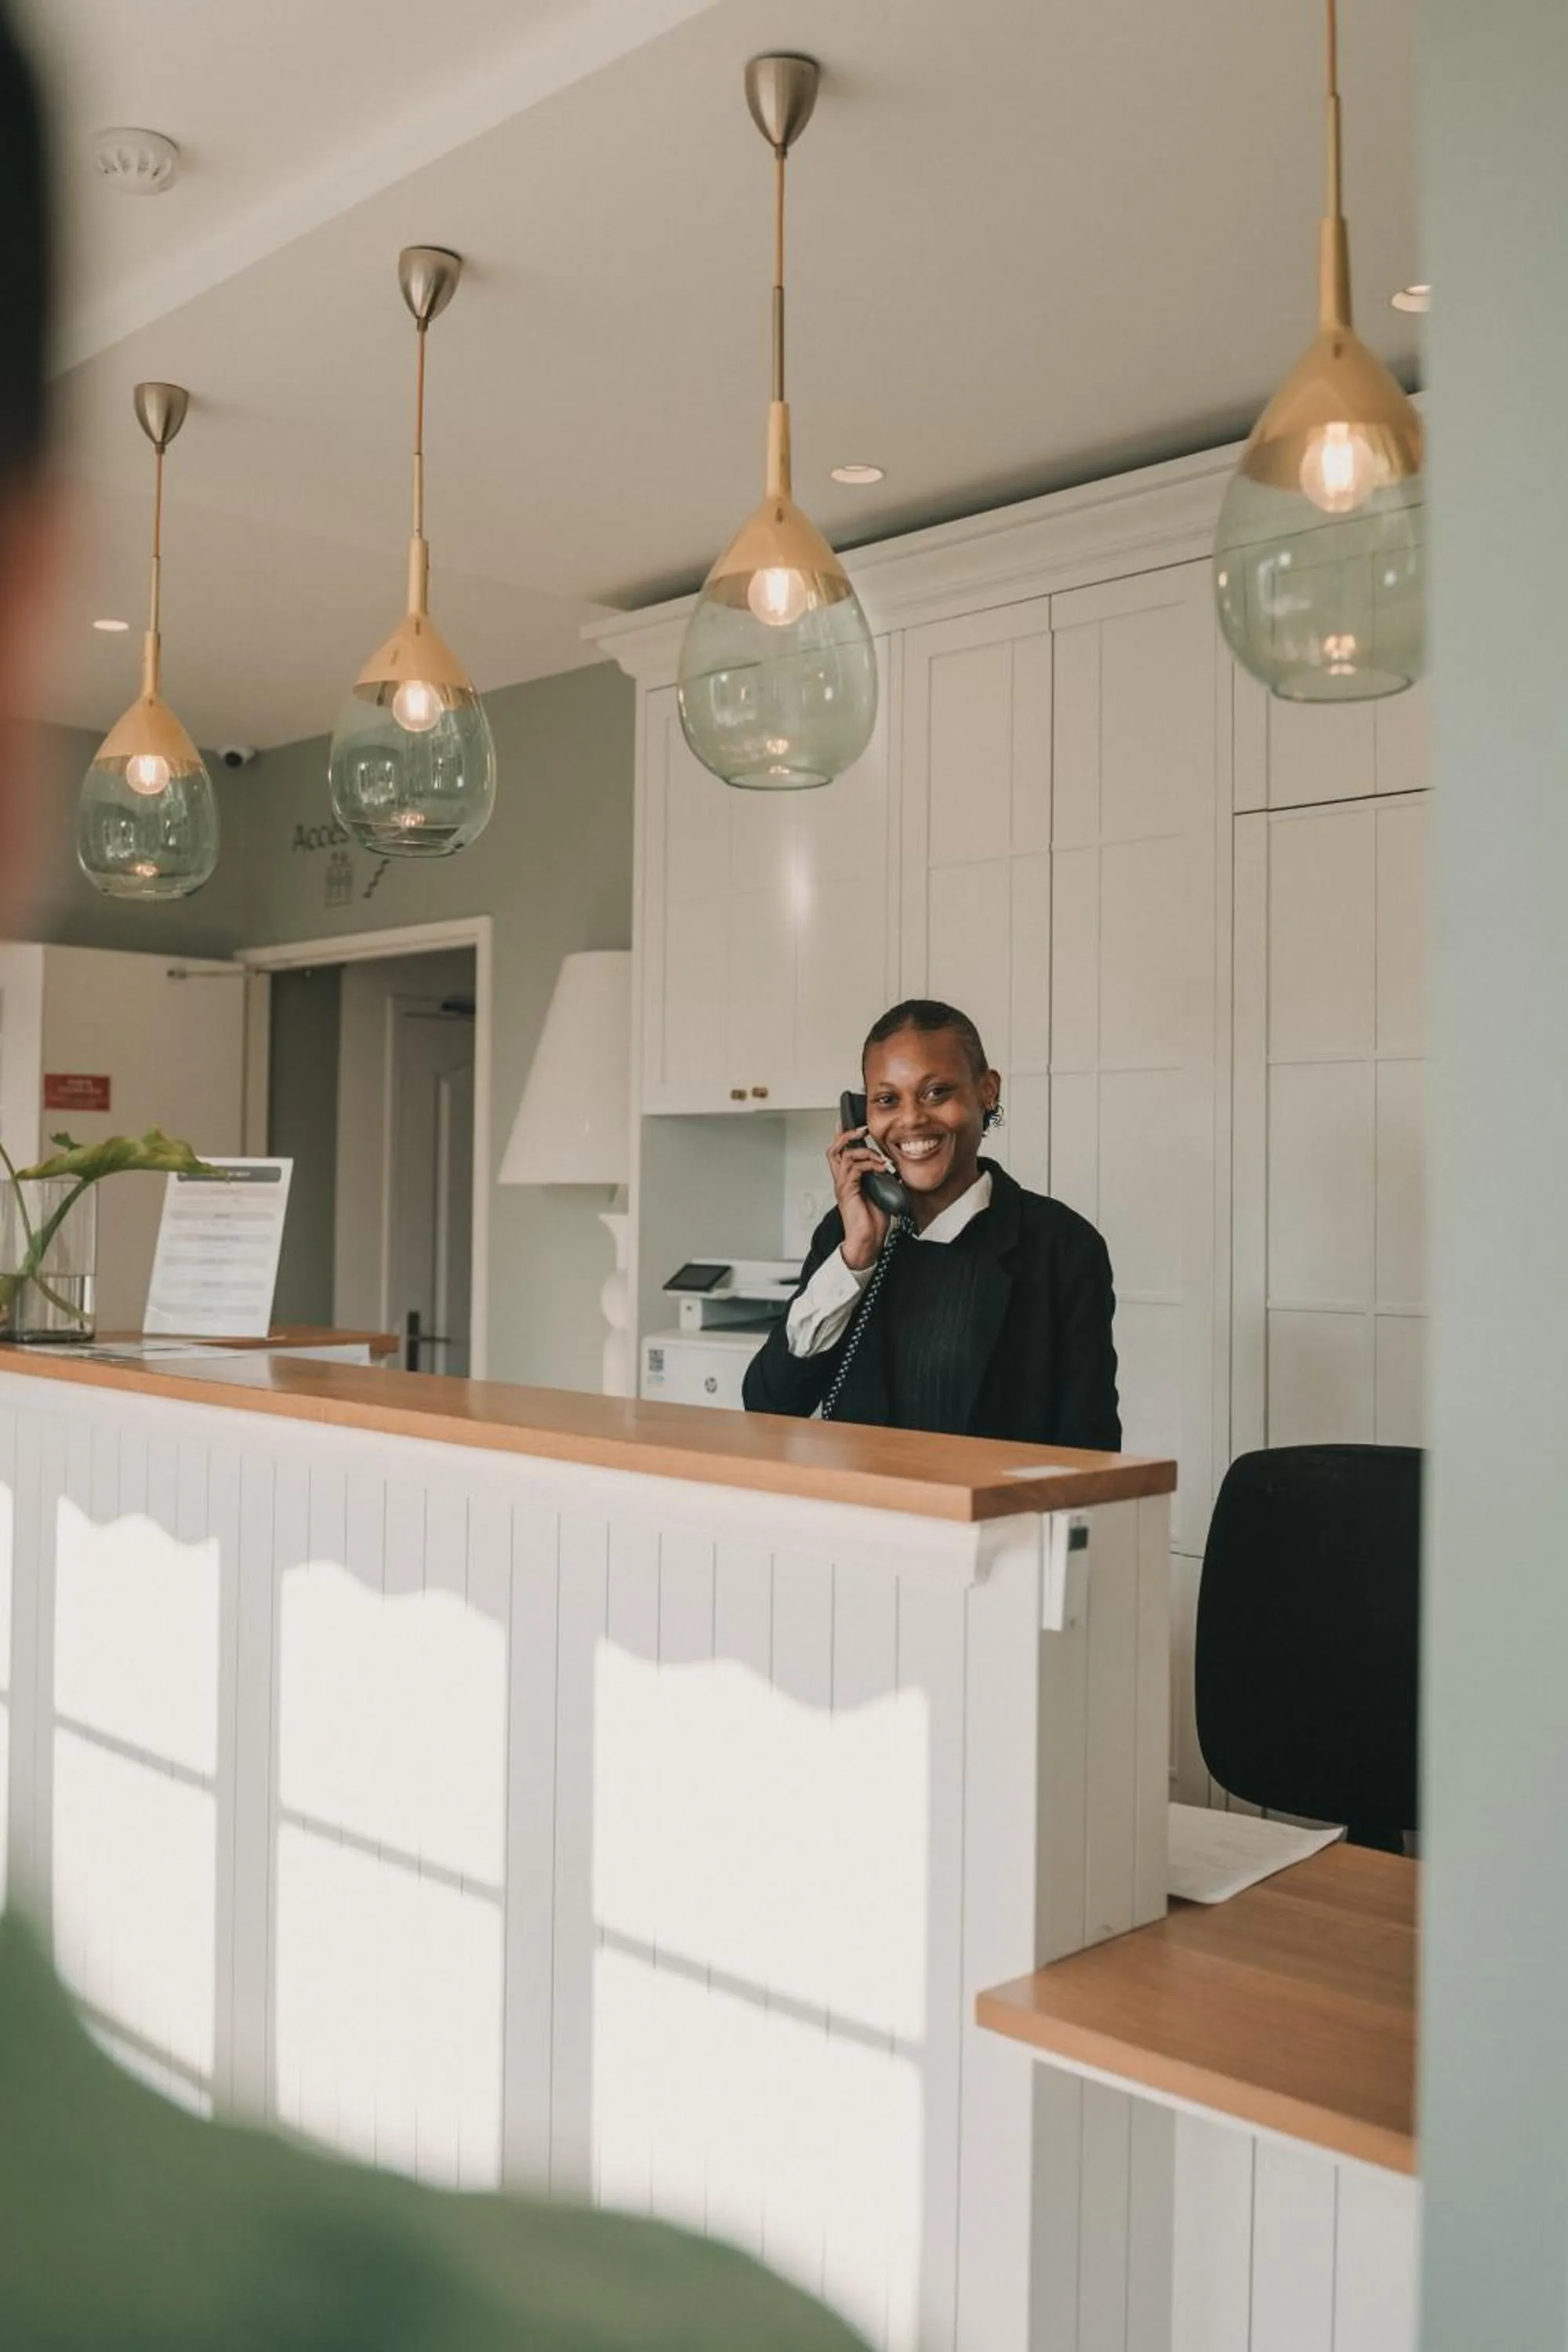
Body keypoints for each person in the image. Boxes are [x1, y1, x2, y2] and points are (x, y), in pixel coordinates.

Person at [743, 999, 1120, 1448]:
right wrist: (856, 1258)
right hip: (861, 1495)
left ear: (987, 1090)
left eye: (936, 1092)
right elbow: (768, 1406)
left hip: (992, 1496)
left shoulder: (1062, 1246)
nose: (911, 1119)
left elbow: (1090, 1446)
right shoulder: (846, 1235)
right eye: (887, 1100)